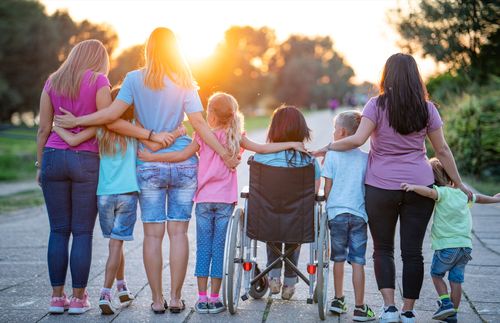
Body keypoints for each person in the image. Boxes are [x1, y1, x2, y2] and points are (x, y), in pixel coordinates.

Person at [54, 27, 239, 314]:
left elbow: (111, 116)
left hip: (149, 163)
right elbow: (200, 125)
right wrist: (225, 153)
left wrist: (77, 119)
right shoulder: (184, 80)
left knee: (153, 236)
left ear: (148, 49)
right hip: (182, 165)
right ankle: (176, 298)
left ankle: (156, 300)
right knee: (179, 234)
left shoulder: (133, 79)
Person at [314, 53, 472, 323]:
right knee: (412, 252)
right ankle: (408, 311)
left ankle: (389, 308)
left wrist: (328, 147)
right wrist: (458, 182)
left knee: (383, 249)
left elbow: (357, 139)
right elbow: (442, 150)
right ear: (415, 77)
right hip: (419, 187)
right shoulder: (427, 109)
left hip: (380, 187)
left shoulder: (375, 105)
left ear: (387, 76)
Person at [138, 92, 305, 313]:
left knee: (203, 249)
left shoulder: (202, 136)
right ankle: (215, 298)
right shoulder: (236, 136)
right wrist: (292, 143)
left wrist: (152, 157)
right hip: (225, 202)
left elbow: (180, 156)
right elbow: (264, 148)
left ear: (211, 115)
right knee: (219, 250)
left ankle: (202, 297)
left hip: (204, 200)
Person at [53, 87, 184, 315]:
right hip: (128, 194)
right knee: (117, 243)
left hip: (104, 195)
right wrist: (178, 132)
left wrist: (56, 127)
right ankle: (106, 292)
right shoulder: (134, 127)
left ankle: (122, 287)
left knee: (115, 242)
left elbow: (73, 140)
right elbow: (154, 144)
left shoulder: (102, 128)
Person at [36, 39, 109, 315]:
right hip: (86, 160)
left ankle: (56, 298)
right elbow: (105, 121)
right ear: (98, 59)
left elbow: (44, 129)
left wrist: (40, 166)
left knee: (57, 230)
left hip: (53, 157)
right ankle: (78, 299)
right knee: (81, 232)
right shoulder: (99, 80)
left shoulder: (53, 81)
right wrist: (79, 133)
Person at [401, 158, 500, 323]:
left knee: (436, 274)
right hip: (465, 247)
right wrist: (496, 199)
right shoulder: (463, 193)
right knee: (456, 280)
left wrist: (413, 187)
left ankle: (446, 303)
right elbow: (480, 198)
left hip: (447, 246)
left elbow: (429, 193)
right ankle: (453, 314)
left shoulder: (442, 192)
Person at [249, 106, 321, 301]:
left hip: (267, 218)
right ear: (301, 130)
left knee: (272, 228)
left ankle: (273, 277)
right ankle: (290, 282)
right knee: (293, 232)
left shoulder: (260, 157)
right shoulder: (309, 161)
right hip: (297, 220)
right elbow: (313, 193)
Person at [322, 111, 375, 321]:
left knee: (338, 259)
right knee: (358, 261)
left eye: (335, 129)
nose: (333, 132)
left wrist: (330, 202)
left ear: (342, 132)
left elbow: (327, 188)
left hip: (337, 214)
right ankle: (360, 307)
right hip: (359, 215)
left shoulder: (332, 155)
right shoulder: (365, 159)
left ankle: (338, 299)